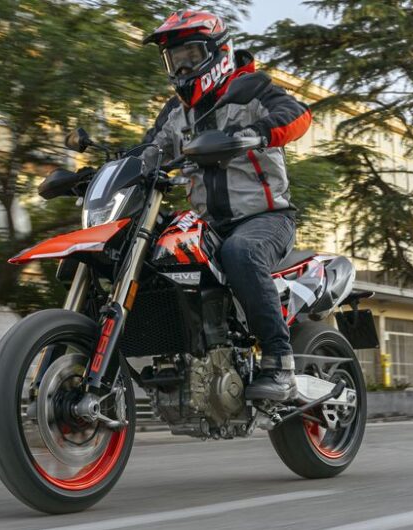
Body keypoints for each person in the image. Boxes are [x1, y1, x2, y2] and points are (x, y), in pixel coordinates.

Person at [141, 10, 312, 401]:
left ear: (217, 53)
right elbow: (148, 149)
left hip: (266, 219)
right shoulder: (175, 113)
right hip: (208, 225)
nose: (182, 68)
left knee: (240, 251)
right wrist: (104, 169)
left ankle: (279, 363)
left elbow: (298, 115)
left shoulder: (250, 90)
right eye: (174, 60)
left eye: (190, 55)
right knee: (158, 254)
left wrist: (255, 133)